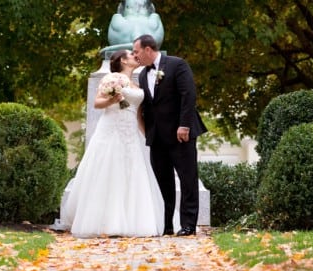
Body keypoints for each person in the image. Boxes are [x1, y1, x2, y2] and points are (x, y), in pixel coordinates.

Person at [58, 49, 164, 238]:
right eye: (131, 54)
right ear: (123, 60)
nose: (135, 56)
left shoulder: (136, 84)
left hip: (130, 133)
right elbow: (97, 103)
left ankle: (133, 222)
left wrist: (148, 136)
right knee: (109, 171)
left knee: (132, 173)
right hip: (111, 130)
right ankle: (106, 222)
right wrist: (113, 100)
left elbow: (138, 114)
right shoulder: (112, 78)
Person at [132, 34, 207, 236]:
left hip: (180, 134)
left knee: (187, 178)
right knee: (162, 181)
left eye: (136, 51)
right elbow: (148, 106)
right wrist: (147, 131)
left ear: (148, 50)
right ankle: (166, 226)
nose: (134, 55)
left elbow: (188, 94)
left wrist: (185, 125)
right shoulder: (141, 75)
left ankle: (188, 225)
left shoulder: (177, 65)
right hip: (157, 137)